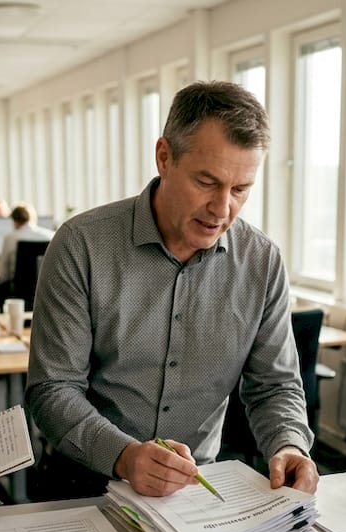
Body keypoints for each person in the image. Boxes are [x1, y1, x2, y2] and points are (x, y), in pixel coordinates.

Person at [27, 80, 317, 500]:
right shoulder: (81, 245)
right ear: (164, 157)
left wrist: (289, 444)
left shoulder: (262, 262)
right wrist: (125, 456)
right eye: (206, 182)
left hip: (195, 492)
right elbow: (52, 388)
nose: (222, 209)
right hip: (83, 484)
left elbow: (275, 386)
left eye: (240, 190)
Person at [0, 202, 53, 284]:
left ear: (14, 221)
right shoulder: (50, 235)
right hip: (44, 288)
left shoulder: (10, 238)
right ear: (33, 218)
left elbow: (4, 273)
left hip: (19, 288)